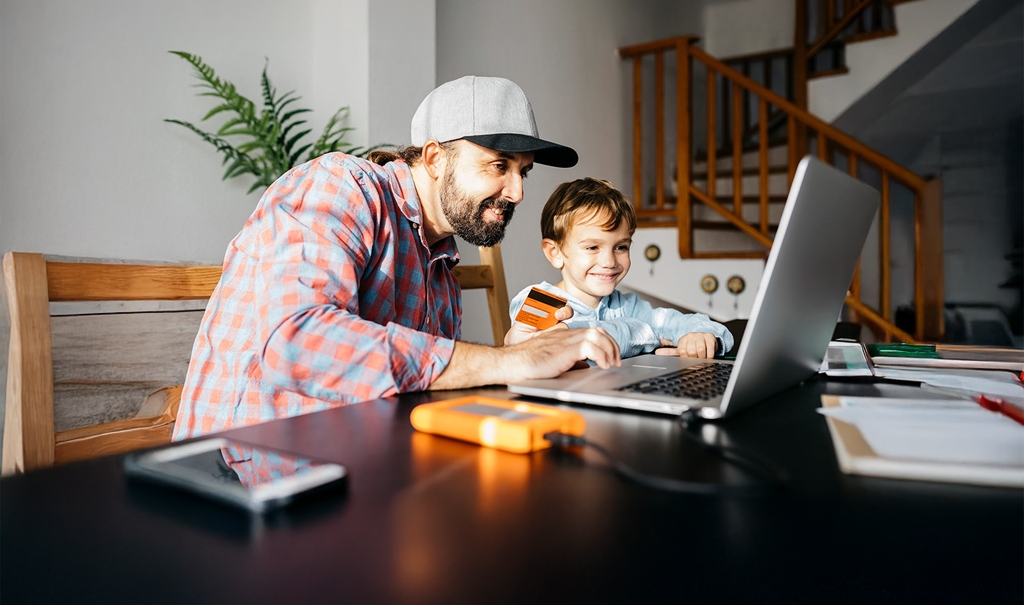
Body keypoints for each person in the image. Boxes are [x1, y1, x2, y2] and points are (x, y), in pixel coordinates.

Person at [174, 76, 620, 441]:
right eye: (499, 165)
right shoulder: (340, 186)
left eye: (523, 172)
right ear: (434, 158)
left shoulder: (441, 262)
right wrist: (504, 364)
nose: (518, 192)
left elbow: (417, 391)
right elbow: (295, 340)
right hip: (239, 475)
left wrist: (517, 357)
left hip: (352, 470)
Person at [508, 177, 734, 359]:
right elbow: (562, 348)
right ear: (555, 253)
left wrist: (704, 335)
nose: (609, 261)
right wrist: (645, 332)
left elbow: (678, 322)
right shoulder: (537, 301)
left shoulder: (627, 305)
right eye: (593, 247)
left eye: (621, 247)